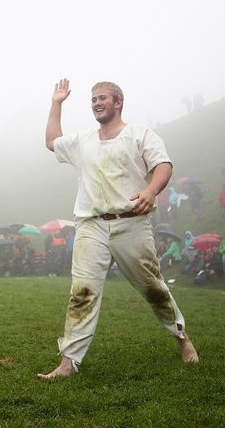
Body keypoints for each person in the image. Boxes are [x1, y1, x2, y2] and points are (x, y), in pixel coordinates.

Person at [38, 79, 198, 381]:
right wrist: (57, 102)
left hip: (131, 223)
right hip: (90, 225)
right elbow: (51, 141)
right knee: (81, 293)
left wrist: (151, 191)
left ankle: (182, 338)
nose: (97, 103)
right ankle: (68, 363)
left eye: (102, 98)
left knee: (153, 288)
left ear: (118, 102)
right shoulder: (83, 141)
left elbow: (163, 165)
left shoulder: (139, 134)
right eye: (93, 99)